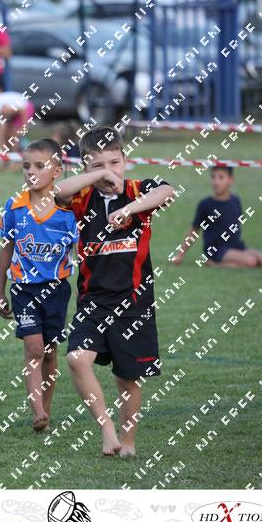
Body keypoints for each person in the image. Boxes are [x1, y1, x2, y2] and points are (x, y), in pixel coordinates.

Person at [54, 126, 175, 457]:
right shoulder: (82, 198)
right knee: (77, 359)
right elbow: (58, 191)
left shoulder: (138, 191)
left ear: (125, 159)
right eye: (98, 165)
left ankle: (128, 442)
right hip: (93, 302)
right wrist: (98, 175)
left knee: (127, 380)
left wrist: (129, 209)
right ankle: (107, 430)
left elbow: (167, 191)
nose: (110, 171)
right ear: (86, 168)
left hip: (133, 305)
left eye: (115, 162)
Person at [0, 138, 120, 431]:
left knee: (50, 352)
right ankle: (37, 409)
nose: (31, 172)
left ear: (57, 171)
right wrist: (0, 291)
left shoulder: (69, 212)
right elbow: (6, 250)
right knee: (34, 349)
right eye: (26, 166)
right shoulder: (14, 206)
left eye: (40, 166)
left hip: (57, 290)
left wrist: (89, 288)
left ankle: (46, 411)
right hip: (24, 289)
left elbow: (81, 253)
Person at [171, 166, 262, 268]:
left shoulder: (235, 200)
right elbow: (194, 230)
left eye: (221, 177)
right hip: (216, 248)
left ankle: (235, 261)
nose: (216, 181)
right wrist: (180, 255)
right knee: (251, 261)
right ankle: (213, 263)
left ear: (231, 180)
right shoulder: (206, 204)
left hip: (236, 245)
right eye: (213, 177)